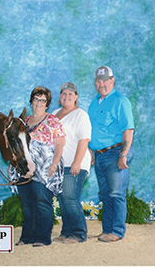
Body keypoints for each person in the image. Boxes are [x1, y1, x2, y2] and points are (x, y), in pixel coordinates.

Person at [13, 86, 66, 247]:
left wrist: (54, 164)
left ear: (47, 103)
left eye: (42, 100)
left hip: (44, 169)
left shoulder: (52, 120)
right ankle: (27, 236)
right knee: (27, 204)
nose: (39, 103)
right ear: (31, 101)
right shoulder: (24, 121)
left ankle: (42, 237)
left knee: (42, 202)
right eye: (36, 99)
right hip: (24, 168)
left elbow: (60, 144)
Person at [88, 66, 134, 242]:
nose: (102, 84)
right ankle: (107, 230)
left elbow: (128, 130)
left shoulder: (121, 101)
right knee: (105, 194)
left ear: (112, 80)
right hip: (99, 155)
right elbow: (91, 130)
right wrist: (91, 151)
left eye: (105, 80)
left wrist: (123, 155)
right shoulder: (94, 102)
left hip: (116, 152)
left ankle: (117, 231)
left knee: (116, 194)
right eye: (98, 81)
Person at [52, 82, 92, 244]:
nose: (66, 97)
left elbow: (84, 140)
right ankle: (66, 231)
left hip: (75, 163)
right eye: (64, 94)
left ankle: (78, 233)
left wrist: (77, 162)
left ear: (76, 97)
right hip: (60, 164)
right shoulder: (54, 113)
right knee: (63, 198)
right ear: (59, 97)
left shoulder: (81, 114)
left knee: (70, 197)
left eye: (70, 94)